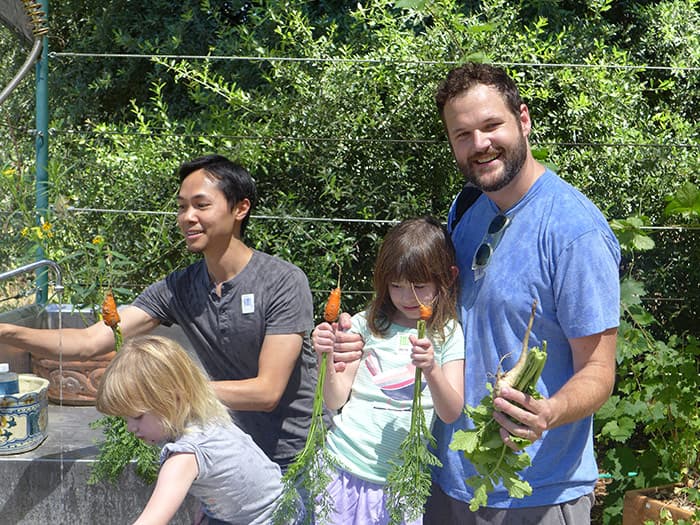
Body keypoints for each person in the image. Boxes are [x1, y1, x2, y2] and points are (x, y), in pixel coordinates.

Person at [319, 63, 620, 524]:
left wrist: (548, 411)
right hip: (443, 477)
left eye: (491, 125)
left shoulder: (574, 232)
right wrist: (356, 337)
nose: (479, 144)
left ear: (523, 119)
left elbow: (599, 369)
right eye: (462, 134)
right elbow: (422, 308)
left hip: (533, 490)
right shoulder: (468, 210)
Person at [0, 154, 320, 469]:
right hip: (229, 452)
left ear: (240, 208)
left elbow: (267, 391)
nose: (187, 217)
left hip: (291, 459)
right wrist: (8, 331)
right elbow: (88, 342)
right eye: (182, 207)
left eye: (201, 205)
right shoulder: (179, 286)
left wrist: (166, 391)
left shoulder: (283, 282)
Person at [313, 216, 465, 525]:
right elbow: (334, 399)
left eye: (419, 287)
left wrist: (432, 369)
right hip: (342, 466)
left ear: (446, 279)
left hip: (402, 483)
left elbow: (451, 411)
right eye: (396, 286)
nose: (407, 298)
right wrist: (325, 356)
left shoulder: (448, 333)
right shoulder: (367, 324)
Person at [96, 334, 303, 525]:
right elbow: (227, 473)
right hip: (285, 508)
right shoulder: (206, 416)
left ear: (173, 398)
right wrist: (209, 506)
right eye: (126, 419)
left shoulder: (183, 456)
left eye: (138, 416)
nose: (131, 428)